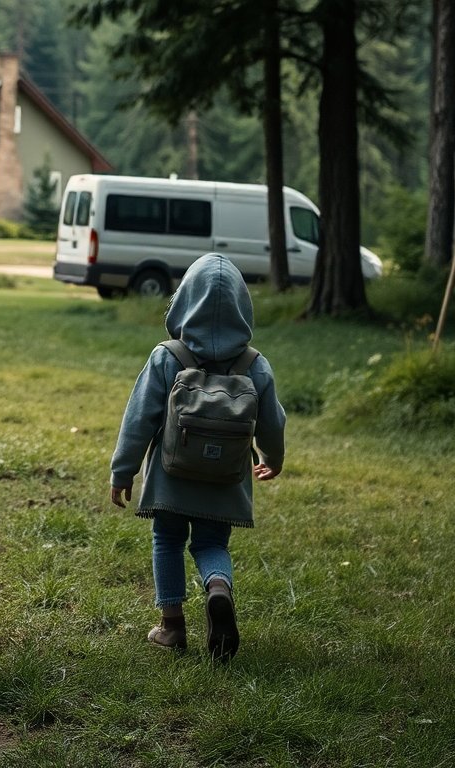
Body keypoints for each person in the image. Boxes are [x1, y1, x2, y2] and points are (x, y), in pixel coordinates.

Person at [109, 253, 285, 661]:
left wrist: (123, 471)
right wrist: (273, 458)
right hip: (225, 479)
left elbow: (138, 418)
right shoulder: (255, 366)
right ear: (243, 308)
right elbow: (273, 423)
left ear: (184, 301)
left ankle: (172, 627)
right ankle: (218, 587)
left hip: (171, 477)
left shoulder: (168, 356)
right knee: (211, 542)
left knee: (167, 539)